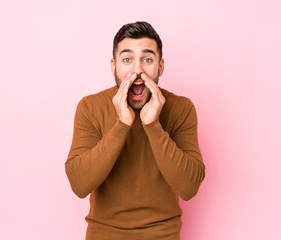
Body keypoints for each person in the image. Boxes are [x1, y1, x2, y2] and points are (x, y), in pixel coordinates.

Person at [65, 21, 205, 240]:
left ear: (160, 66)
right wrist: (121, 125)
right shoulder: (90, 107)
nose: (137, 70)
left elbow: (189, 188)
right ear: (114, 65)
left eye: (147, 59)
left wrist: (153, 125)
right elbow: (80, 185)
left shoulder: (181, 108)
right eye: (127, 59)